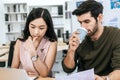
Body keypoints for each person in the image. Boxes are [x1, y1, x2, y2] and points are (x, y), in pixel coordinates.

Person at [62, 0, 120, 80]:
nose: (83, 27)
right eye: (80, 22)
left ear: (99, 18)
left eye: (87, 21)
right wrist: (71, 50)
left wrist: (105, 79)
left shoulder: (115, 35)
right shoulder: (79, 37)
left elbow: (118, 70)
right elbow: (68, 69)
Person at [11, 8, 57, 77]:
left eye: (41, 28)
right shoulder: (20, 41)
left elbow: (44, 73)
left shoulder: (52, 43)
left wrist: (33, 52)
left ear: (47, 28)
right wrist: (24, 75)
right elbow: (14, 69)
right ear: (28, 25)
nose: (36, 32)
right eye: (32, 27)